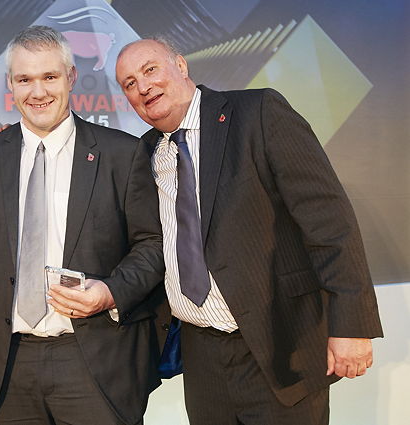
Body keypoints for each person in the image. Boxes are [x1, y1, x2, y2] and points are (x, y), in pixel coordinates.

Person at [114, 36, 384, 425]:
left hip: (280, 344)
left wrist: (352, 326)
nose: (143, 86)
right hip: (202, 358)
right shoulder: (144, 155)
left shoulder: (258, 113)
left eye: (150, 69)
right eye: (129, 83)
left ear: (181, 65)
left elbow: (329, 222)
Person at [0, 26, 167, 425]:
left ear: (71, 77)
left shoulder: (122, 153)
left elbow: (153, 243)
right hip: (8, 364)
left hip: (96, 361)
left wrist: (111, 292)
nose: (38, 91)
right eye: (25, 79)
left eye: (49, 76)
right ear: (10, 84)